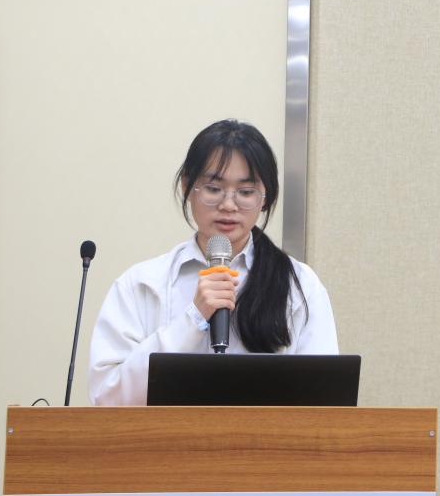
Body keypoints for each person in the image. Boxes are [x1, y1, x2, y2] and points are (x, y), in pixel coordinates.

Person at [88, 119, 338, 405]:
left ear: (264, 198)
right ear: (187, 187)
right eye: (213, 188)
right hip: (164, 435)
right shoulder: (141, 284)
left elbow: (324, 401)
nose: (228, 205)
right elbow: (107, 397)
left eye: (246, 192)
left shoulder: (300, 285)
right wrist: (193, 318)